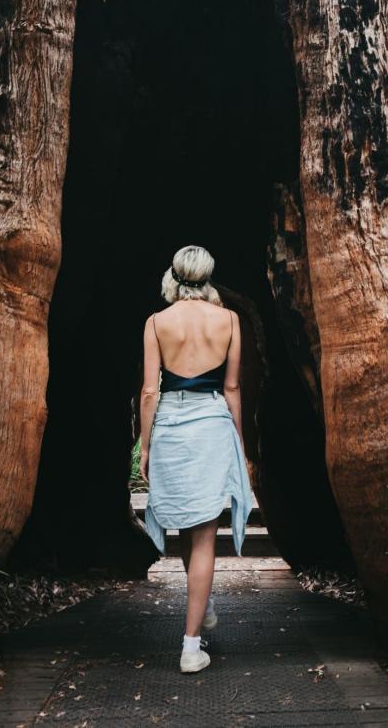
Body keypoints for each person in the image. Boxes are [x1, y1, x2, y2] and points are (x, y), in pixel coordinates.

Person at [139, 244, 253, 674]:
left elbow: (150, 391)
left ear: (175, 275)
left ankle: (197, 621)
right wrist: (237, 442)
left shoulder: (156, 322)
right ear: (209, 277)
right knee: (203, 531)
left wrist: (145, 446)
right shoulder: (228, 320)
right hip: (210, 422)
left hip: (169, 423)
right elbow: (233, 389)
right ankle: (191, 646)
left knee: (189, 528)